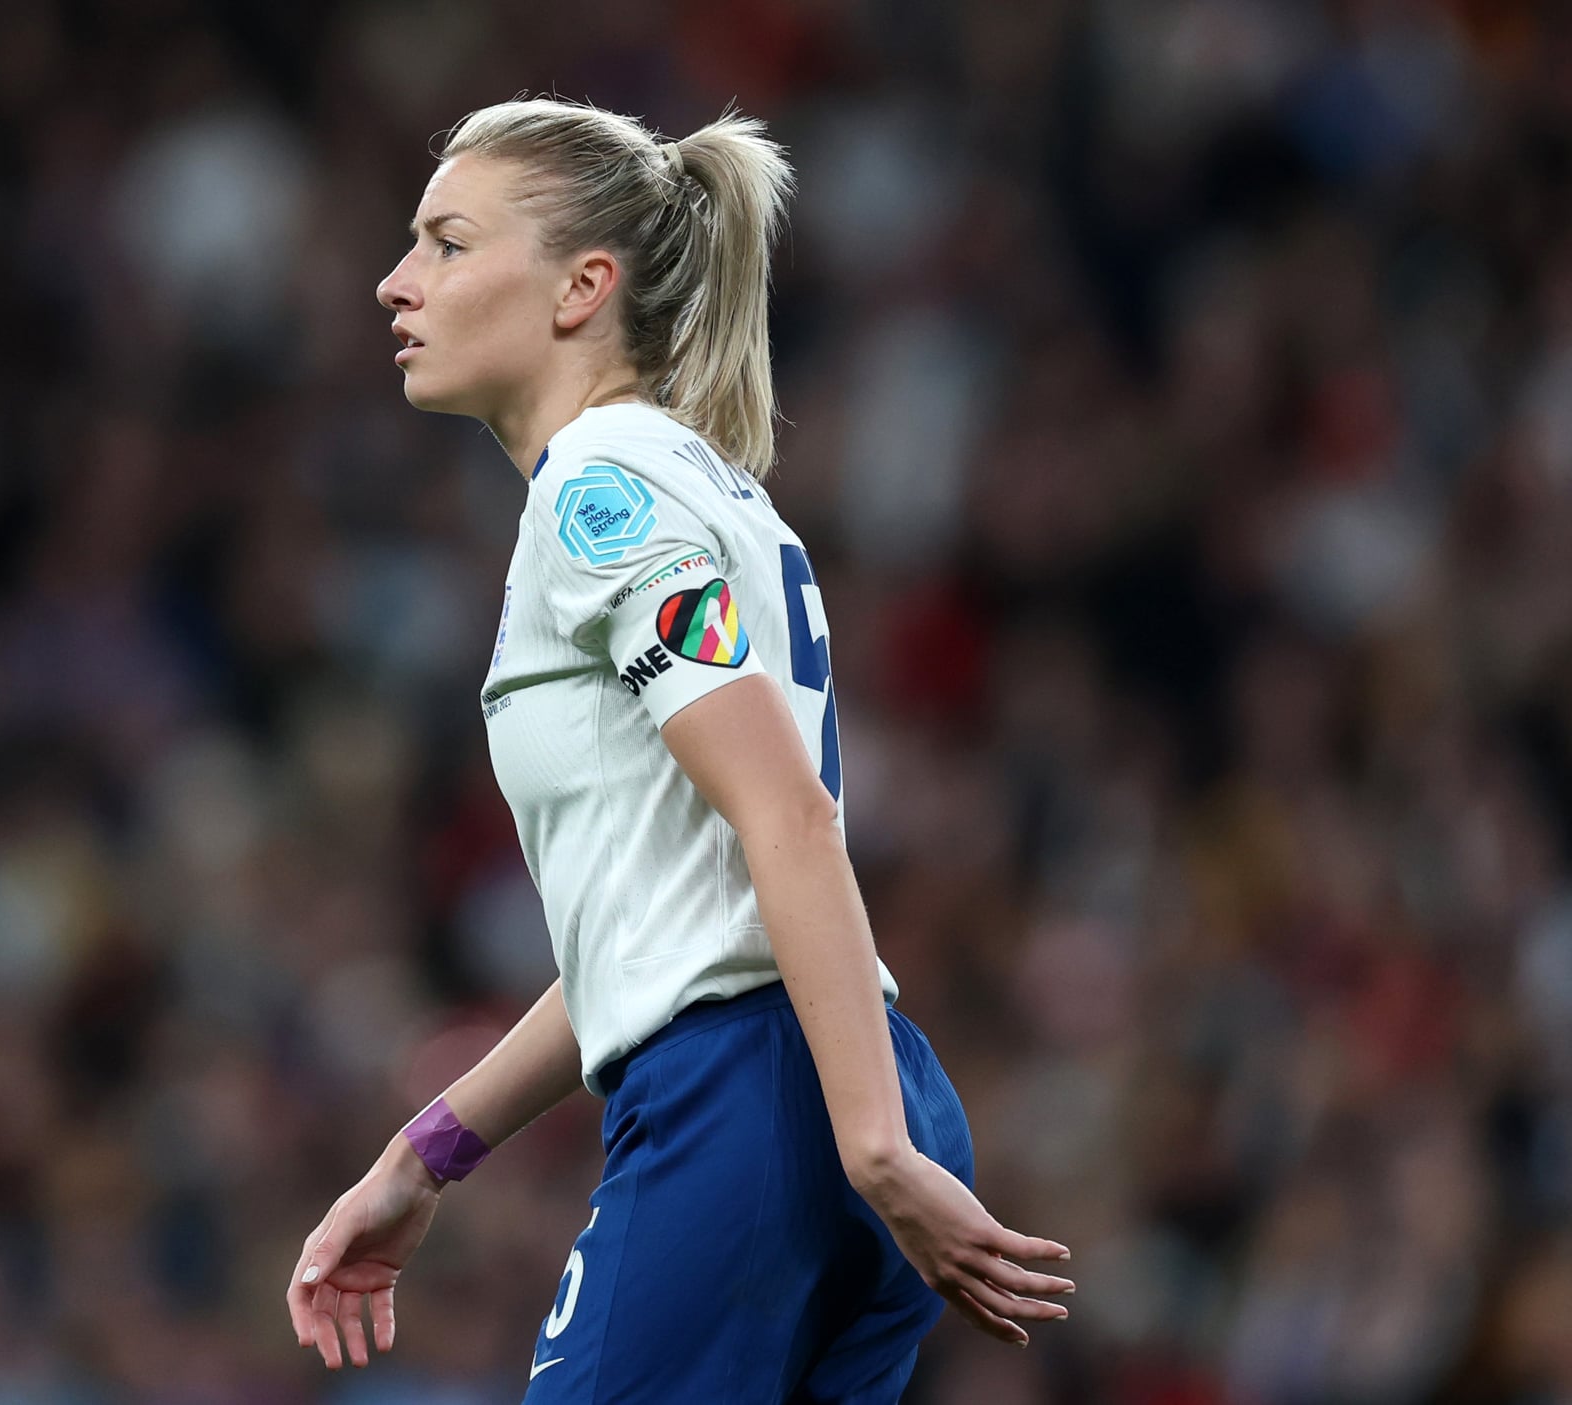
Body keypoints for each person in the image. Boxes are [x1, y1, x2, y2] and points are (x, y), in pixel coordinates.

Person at [285, 97, 1074, 1403]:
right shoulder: (714, 493)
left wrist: (870, 1147)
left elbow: (787, 818)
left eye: (446, 242)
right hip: (839, 1073)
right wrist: (424, 1152)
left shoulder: (603, 489)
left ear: (581, 287)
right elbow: (670, 922)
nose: (395, 279)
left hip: (759, 1102)